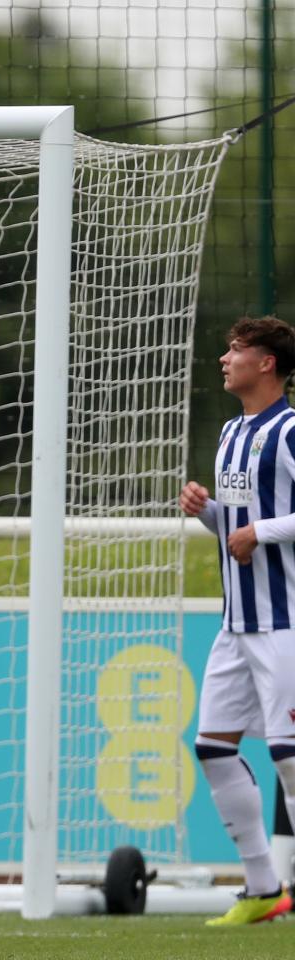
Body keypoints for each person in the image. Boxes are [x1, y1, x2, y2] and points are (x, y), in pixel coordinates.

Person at [179, 314, 295, 926]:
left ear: (267, 363)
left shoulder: (293, 431)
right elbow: (236, 531)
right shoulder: (229, 432)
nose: (225, 360)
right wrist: (210, 512)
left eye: (236, 350)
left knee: (288, 754)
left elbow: (264, 528)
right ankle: (262, 890)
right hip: (237, 620)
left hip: (286, 621)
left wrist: (259, 530)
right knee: (214, 747)